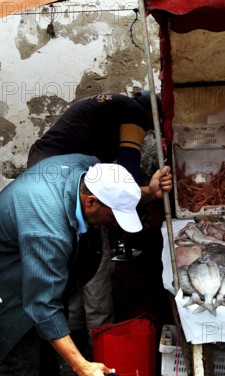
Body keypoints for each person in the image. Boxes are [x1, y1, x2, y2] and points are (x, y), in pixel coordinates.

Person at [0, 154, 169, 376]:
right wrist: (83, 367)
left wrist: (147, 193)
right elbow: (42, 306)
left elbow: (111, 196)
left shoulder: (87, 168)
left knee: (47, 364)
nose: (116, 224)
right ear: (90, 203)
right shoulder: (49, 231)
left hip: (28, 256)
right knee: (19, 370)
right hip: (7, 285)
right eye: (114, 217)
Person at [26, 91, 169, 342]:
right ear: (152, 115)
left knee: (75, 256)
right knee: (97, 259)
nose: (149, 133)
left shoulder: (112, 104)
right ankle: (101, 340)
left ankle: (75, 329)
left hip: (45, 167)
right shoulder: (135, 114)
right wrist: (146, 194)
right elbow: (128, 171)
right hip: (60, 179)